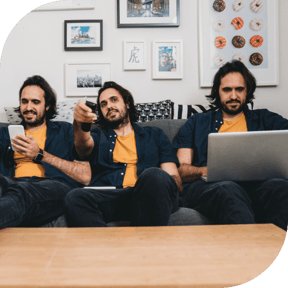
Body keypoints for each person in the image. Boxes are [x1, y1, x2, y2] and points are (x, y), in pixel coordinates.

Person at [173, 60, 288, 231]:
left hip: (257, 187)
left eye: (239, 89)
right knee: (228, 189)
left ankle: (276, 252)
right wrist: (206, 170)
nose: (233, 96)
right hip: (209, 188)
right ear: (217, 92)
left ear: (247, 90)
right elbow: (181, 170)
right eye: (227, 90)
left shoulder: (266, 119)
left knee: (280, 187)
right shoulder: (197, 122)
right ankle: (249, 254)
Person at [65, 81, 182, 227]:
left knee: (155, 175)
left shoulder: (154, 135)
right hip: (112, 199)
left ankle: (144, 245)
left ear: (127, 103)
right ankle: (106, 248)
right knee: (75, 197)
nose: (109, 106)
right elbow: (83, 147)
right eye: (103, 104)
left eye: (114, 100)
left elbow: (174, 179)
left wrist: (157, 184)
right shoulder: (98, 135)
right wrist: (79, 122)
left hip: (148, 195)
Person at [0, 75, 91, 229]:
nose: (28, 107)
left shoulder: (65, 130)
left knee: (21, 192)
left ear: (47, 106)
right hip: (10, 182)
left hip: (51, 186)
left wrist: (40, 154)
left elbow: (85, 176)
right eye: (24, 101)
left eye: (35, 102)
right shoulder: (4, 134)